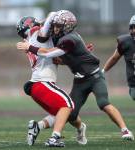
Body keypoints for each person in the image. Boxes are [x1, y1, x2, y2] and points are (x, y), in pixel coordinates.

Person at [20, 10, 134, 141]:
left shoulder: (69, 39)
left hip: (94, 77)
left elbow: (48, 53)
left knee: (103, 103)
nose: (55, 28)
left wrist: (30, 47)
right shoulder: (61, 38)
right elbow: (63, 59)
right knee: (70, 113)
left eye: (58, 26)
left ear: (67, 26)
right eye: (55, 25)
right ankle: (40, 127)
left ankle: (125, 130)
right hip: (80, 80)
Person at [16, 16, 75, 147]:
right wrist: (54, 15)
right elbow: (45, 28)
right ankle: (54, 138)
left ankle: (37, 127)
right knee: (68, 104)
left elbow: (56, 59)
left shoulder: (33, 40)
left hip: (40, 83)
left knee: (61, 114)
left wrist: (81, 53)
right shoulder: (35, 32)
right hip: (42, 82)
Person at [103, 15, 135, 101]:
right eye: (132, 27)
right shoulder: (126, 42)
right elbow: (114, 58)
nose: (134, 30)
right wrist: (103, 71)